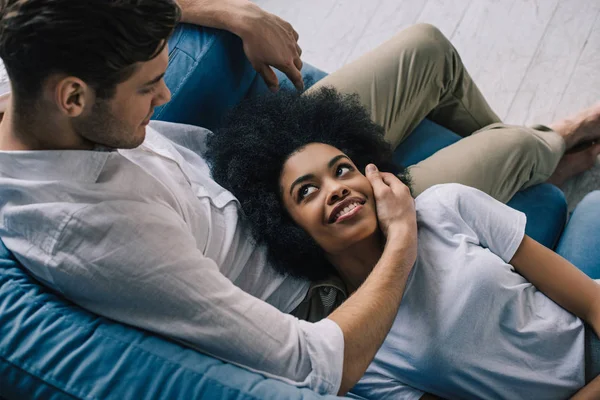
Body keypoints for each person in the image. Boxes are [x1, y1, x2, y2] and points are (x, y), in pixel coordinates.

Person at [0, 0, 599, 397]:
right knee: (507, 153)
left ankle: (541, 155)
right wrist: (403, 243)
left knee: (426, 48)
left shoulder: (38, 90)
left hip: (251, 165)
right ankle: (555, 146)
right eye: (149, 85)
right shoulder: (93, 233)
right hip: (310, 270)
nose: (164, 98)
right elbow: (317, 362)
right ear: (74, 97)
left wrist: (227, 13)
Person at [206, 87, 600, 399]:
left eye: (342, 170)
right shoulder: (352, 341)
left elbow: (590, 301)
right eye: (306, 192)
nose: (337, 189)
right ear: (288, 227)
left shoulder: (447, 205)